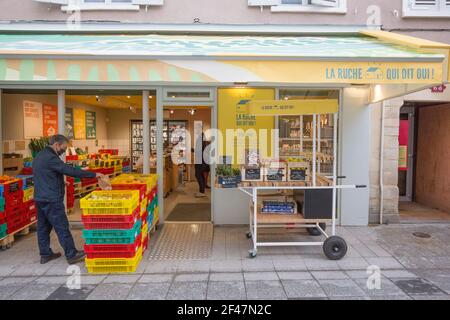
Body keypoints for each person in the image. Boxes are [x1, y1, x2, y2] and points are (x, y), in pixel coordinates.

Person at [33, 134, 104, 265]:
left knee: (43, 228)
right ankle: (72, 254)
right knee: (62, 227)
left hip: (40, 197)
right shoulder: (51, 158)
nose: (64, 150)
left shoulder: (40, 155)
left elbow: (44, 175)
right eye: (64, 147)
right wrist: (93, 174)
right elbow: (69, 170)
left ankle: (45, 254)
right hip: (51, 199)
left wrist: (60, 183)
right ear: (56, 145)